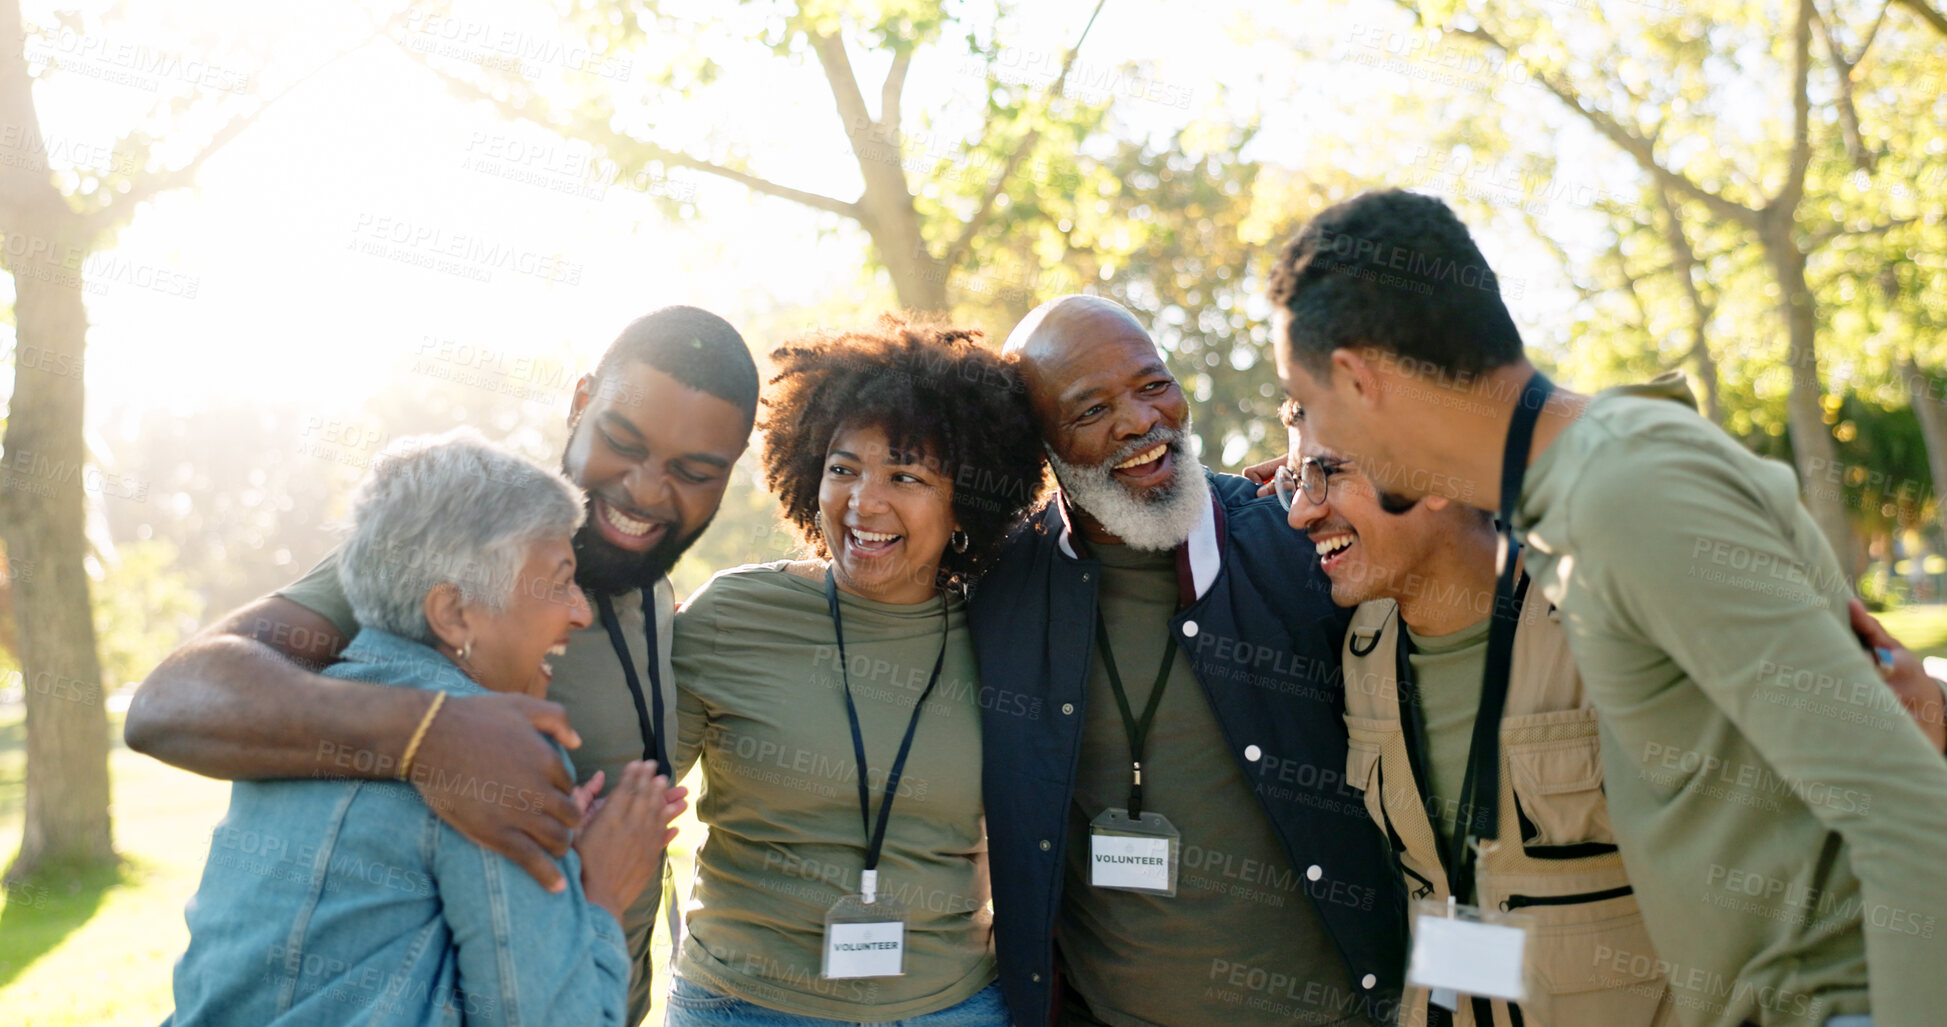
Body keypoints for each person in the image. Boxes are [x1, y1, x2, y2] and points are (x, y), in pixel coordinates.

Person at [1267, 188, 1947, 1027]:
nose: (1298, 482)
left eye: (1306, 404)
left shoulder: (1626, 491)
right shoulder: (1574, 504)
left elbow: (1907, 813)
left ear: (1358, 377)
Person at [128, 306, 760, 1025]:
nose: (646, 491)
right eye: (622, 440)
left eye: (694, 471)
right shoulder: (460, 546)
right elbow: (171, 699)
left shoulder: (655, 592)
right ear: (579, 403)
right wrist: (433, 733)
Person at [972, 294, 1407, 1027]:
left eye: (1152, 384)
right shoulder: (998, 594)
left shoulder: (1300, 546)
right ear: (1036, 447)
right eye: (1090, 409)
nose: (1141, 420)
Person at [167, 430, 687, 1025]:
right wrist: (599, 893)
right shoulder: (496, 752)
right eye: (559, 577)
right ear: (452, 612)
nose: (580, 610)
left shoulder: (289, 725)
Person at [664, 315, 1044, 1024]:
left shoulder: (1004, 635)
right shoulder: (733, 614)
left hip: (951, 1006)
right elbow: (622, 788)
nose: (863, 502)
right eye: (843, 468)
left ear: (963, 500)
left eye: (905, 474)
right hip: (743, 1006)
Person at [1272, 400, 1674, 1026]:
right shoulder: (1363, 650)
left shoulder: (1613, 619)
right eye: (1296, 483)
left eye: (1328, 473)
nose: (1300, 512)